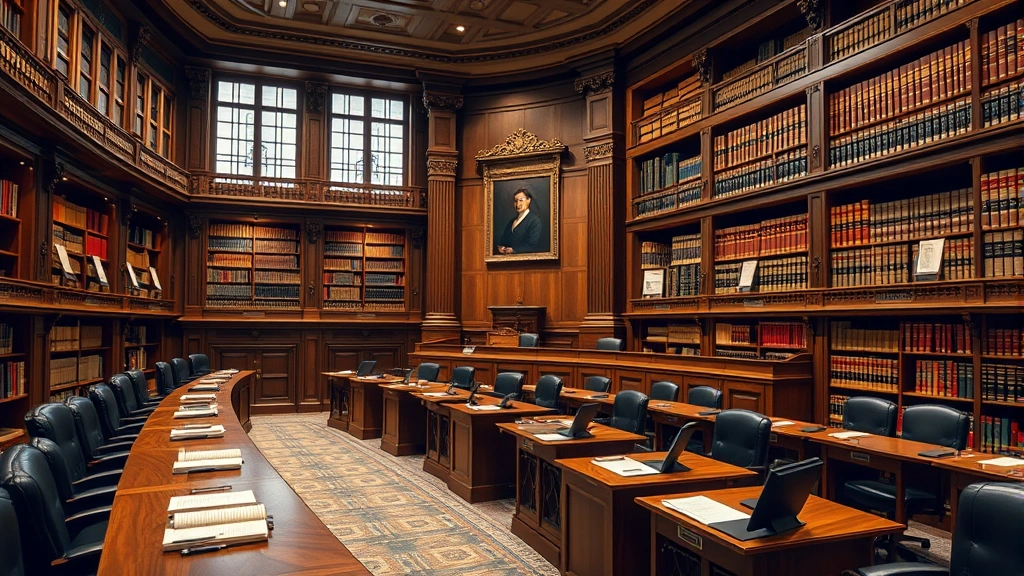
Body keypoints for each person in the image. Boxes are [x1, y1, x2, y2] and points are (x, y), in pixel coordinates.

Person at [497, 188, 542, 254]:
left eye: (521, 200)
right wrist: (502, 248)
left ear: (528, 200)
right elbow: (503, 241)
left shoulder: (534, 221)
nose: (518, 204)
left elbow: (533, 245)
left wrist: (514, 250)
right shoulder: (512, 222)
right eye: (516, 201)